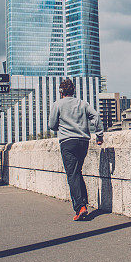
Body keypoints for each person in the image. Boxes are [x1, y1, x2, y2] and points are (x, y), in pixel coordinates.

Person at [48, 78, 104, 220]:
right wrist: (99, 135)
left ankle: (80, 207)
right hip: (83, 141)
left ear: (61, 92)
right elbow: (96, 116)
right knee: (77, 172)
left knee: (72, 174)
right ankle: (83, 203)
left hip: (68, 142)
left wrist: (60, 126)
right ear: (73, 91)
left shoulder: (57, 104)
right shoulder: (82, 103)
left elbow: (52, 125)